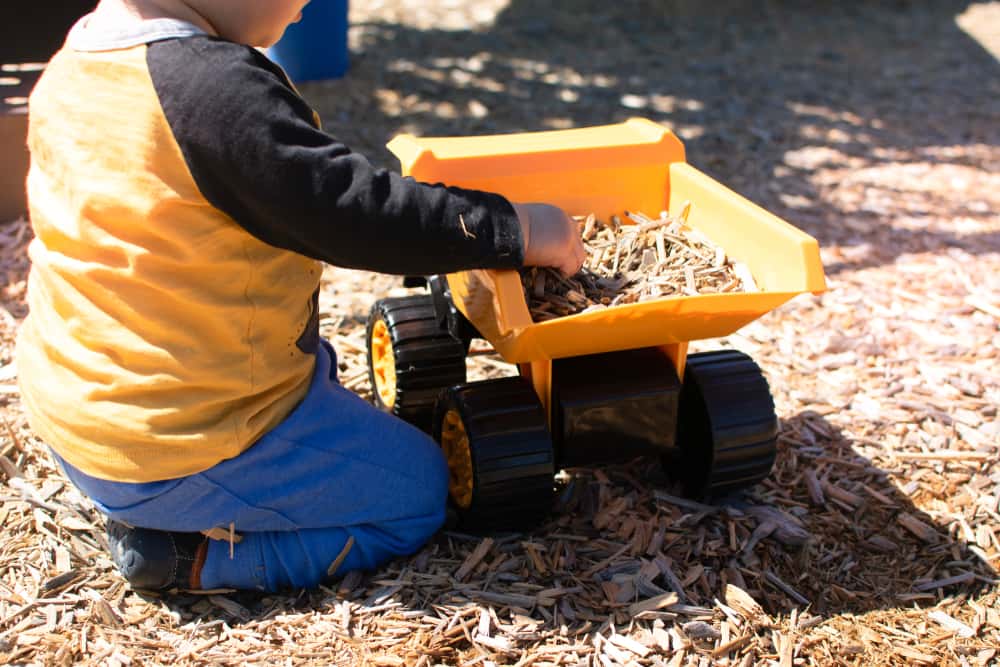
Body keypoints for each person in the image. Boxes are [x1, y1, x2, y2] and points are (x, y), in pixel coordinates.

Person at [17, 0, 586, 593]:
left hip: (78, 413)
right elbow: (353, 213)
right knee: (418, 491)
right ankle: (187, 556)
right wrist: (515, 229)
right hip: (179, 445)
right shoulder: (211, 92)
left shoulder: (79, 58)